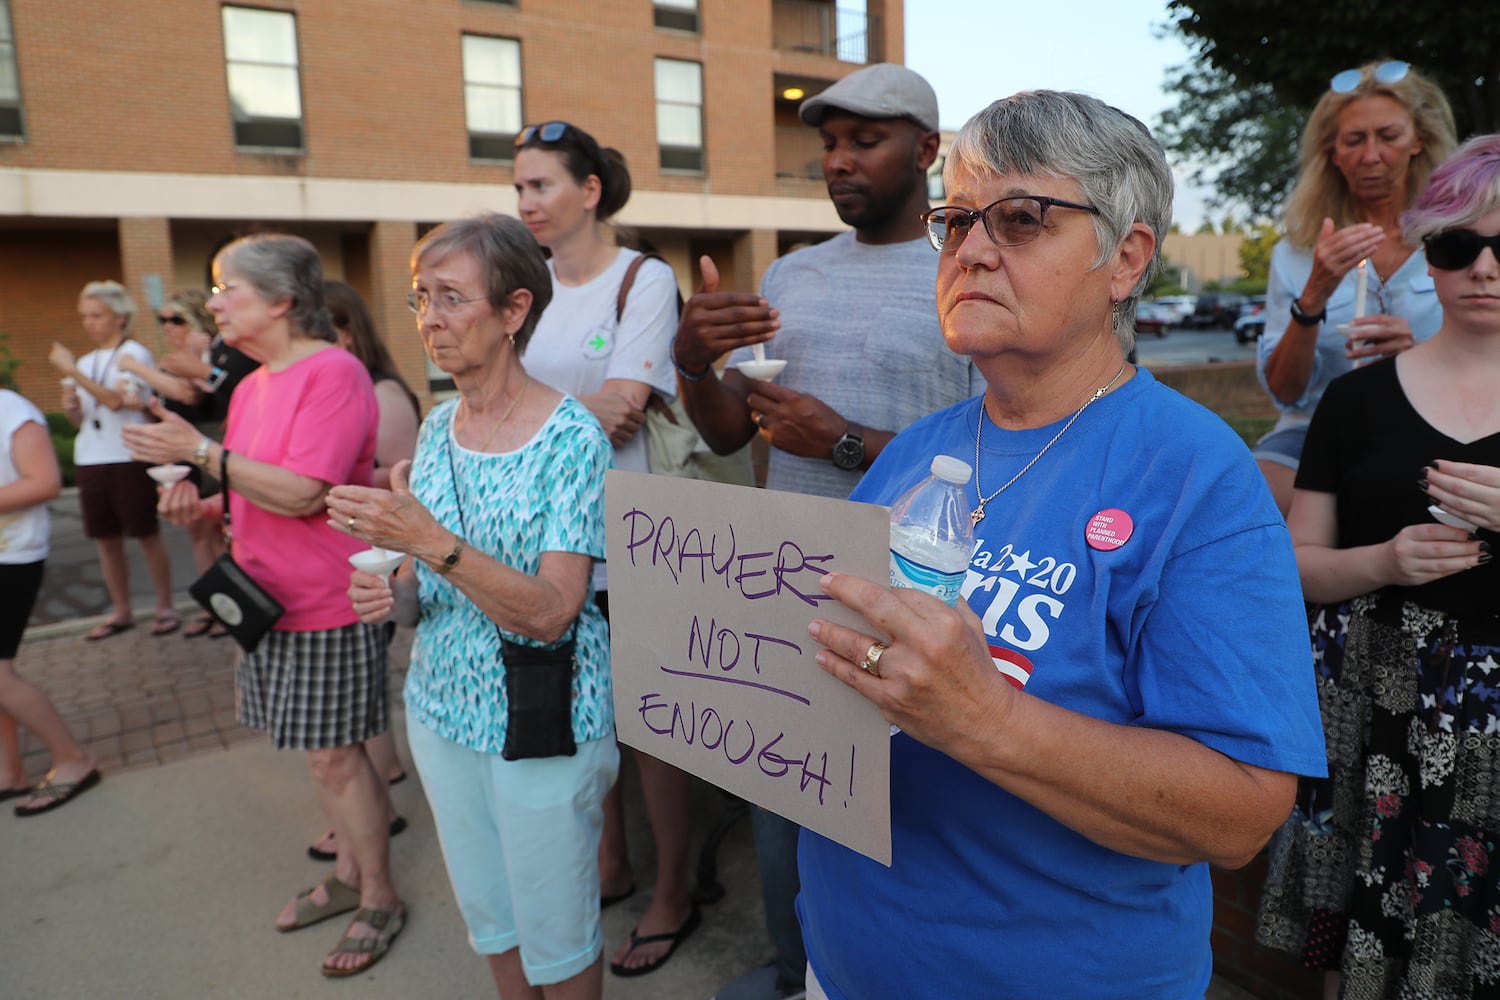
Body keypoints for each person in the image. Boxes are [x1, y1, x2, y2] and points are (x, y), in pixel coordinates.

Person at [793, 90, 1327, 999]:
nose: (971, 250)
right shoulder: (918, 451)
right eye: (956, 220)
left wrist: (987, 720)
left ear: (1127, 257)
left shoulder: (1196, 474)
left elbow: (1242, 811)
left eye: (1022, 219)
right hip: (844, 965)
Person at [670, 63, 980, 1000]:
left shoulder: (964, 273)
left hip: (918, 600)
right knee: (782, 807)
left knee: (905, 815)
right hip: (787, 589)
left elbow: (997, 457)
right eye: (829, 145)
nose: (838, 163)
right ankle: (793, 967)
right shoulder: (790, 274)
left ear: (928, 151)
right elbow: (730, 427)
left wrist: (844, 443)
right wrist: (691, 358)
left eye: (865, 141)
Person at [326, 213, 616, 999]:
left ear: (514, 310)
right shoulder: (436, 424)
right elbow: (423, 600)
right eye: (422, 298)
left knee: (557, 929)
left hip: (542, 721)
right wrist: (392, 590)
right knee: (491, 915)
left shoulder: (571, 439)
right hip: (441, 710)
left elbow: (556, 611)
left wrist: (429, 539)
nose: (429, 320)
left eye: (452, 298)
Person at [1255, 134, 1500, 999]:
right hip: (1375, 700)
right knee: (1362, 933)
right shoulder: (1358, 399)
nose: (1485, 268)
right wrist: (1385, 559)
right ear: (1425, 258)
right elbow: (1293, 566)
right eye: (1458, 245)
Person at [122, 234, 404, 978]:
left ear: (281, 300)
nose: (213, 304)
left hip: (326, 598)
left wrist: (204, 455)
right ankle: (350, 871)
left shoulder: (334, 373)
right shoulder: (250, 385)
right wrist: (202, 503)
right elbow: (255, 484)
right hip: (262, 599)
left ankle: (377, 894)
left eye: (227, 289)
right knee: (323, 757)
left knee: (337, 757)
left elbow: (305, 490)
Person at [511, 119, 695, 978]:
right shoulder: (528, 282)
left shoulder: (641, 279)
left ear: (590, 190)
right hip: (552, 535)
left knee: (651, 722)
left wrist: (516, 424)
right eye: (518, 188)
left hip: (633, 532)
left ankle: (675, 892)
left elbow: (622, 406)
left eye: (540, 185)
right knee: (593, 713)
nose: (526, 203)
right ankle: (612, 864)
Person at [1255, 60, 1457, 515]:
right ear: (1332, 151)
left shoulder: (1458, 240)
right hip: (1316, 426)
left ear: (1418, 140)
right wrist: (1314, 296)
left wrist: (1418, 354)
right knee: (1254, 499)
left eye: (1388, 136)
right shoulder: (1297, 252)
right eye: (1354, 140)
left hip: (1437, 415)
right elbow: (1286, 392)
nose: (1371, 156)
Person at [299, 278, 419, 863]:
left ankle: (375, 804)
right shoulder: (339, 388)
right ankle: (378, 786)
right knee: (364, 689)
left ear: (345, 330)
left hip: (376, 554)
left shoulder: (382, 392)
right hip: (351, 554)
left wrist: (315, 478)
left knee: (362, 682)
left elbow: (397, 479)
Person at [49, 280, 179, 640]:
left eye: (97, 315)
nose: (89, 323)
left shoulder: (132, 353)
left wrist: (71, 371)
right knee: (105, 538)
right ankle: (121, 610)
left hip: (128, 454)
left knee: (145, 533)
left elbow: (118, 402)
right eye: (84, 316)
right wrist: (72, 407)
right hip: (91, 455)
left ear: (120, 317)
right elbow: (83, 420)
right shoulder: (88, 360)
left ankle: (164, 606)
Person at [0, 388, 101, 816]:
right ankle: (8, 774)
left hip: (11, 555)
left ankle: (73, 759)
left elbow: (44, 482)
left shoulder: (11, 410)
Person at [118, 290, 234, 638]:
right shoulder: (170, 361)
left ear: (197, 319)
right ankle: (211, 605)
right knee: (196, 531)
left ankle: (231, 604)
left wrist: (136, 367)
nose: (168, 326)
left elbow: (193, 393)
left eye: (176, 319)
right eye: (163, 320)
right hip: (181, 450)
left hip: (209, 442)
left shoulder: (210, 354)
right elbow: (168, 402)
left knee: (219, 531)